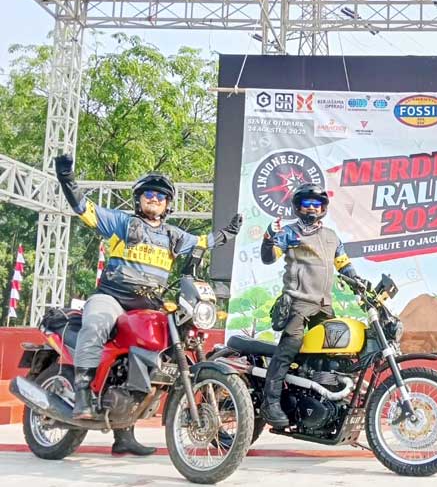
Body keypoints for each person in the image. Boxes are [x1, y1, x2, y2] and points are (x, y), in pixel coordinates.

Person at [53, 153, 242, 455]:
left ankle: (124, 434)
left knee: (156, 358)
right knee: (97, 323)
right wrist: (67, 178)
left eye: (160, 196)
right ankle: (83, 393)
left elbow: (202, 242)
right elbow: (84, 208)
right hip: (113, 297)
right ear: (139, 199)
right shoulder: (122, 222)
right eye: (149, 194)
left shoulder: (173, 236)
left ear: (168, 205)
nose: (154, 199)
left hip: (149, 304)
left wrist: (227, 234)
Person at [260, 183, 363, 427]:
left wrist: (358, 282)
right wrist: (268, 239)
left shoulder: (331, 237)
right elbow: (269, 257)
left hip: (324, 305)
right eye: (307, 204)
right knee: (289, 347)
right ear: (298, 207)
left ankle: (322, 403)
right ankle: (270, 402)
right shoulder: (290, 232)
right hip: (298, 301)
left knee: (333, 351)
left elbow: (344, 265)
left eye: (317, 204)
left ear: (323, 208)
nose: (312, 208)